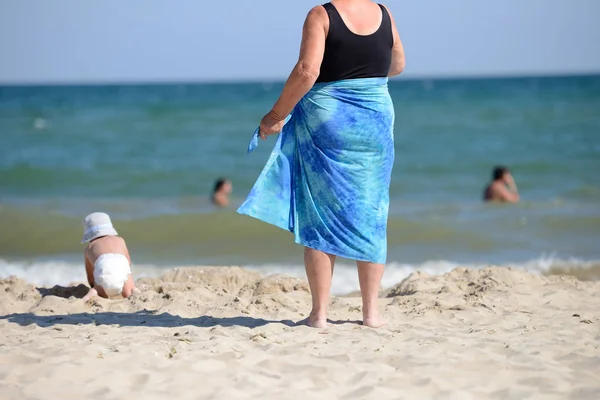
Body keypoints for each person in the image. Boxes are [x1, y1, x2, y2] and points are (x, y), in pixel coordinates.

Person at [237, 0, 405, 328]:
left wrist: (275, 116)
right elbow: (397, 64)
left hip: (329, 118)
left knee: (321, 213)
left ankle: (319, 315)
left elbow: (306, 71)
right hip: (375, 120)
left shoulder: (321, 15)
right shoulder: (384, 13)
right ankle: (371, 314)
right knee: (372, 211)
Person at [81, 212, 137, 301]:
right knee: (128, 284)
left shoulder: (89, 247)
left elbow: (90, 274)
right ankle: (131, 290)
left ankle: (94, 291)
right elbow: (128, 262)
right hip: (121, 263)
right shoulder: (120, 240)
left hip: (103, 265)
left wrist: (93, 284)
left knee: (98, 286)